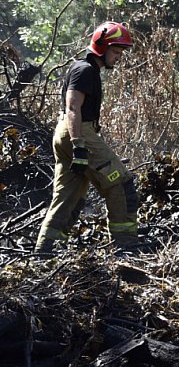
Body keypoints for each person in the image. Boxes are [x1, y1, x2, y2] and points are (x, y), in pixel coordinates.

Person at [36, 22, 139, 254]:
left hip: (67, 132)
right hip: (78, 131)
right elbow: (73, 108)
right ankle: (127, 245)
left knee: (68, 197)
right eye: (116, 51)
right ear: (101, 47)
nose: (119, 57)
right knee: (121, 184)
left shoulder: (85, 69)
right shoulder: (85, 70)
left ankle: (45, 252)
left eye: (121, 52)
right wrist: (79, 146)